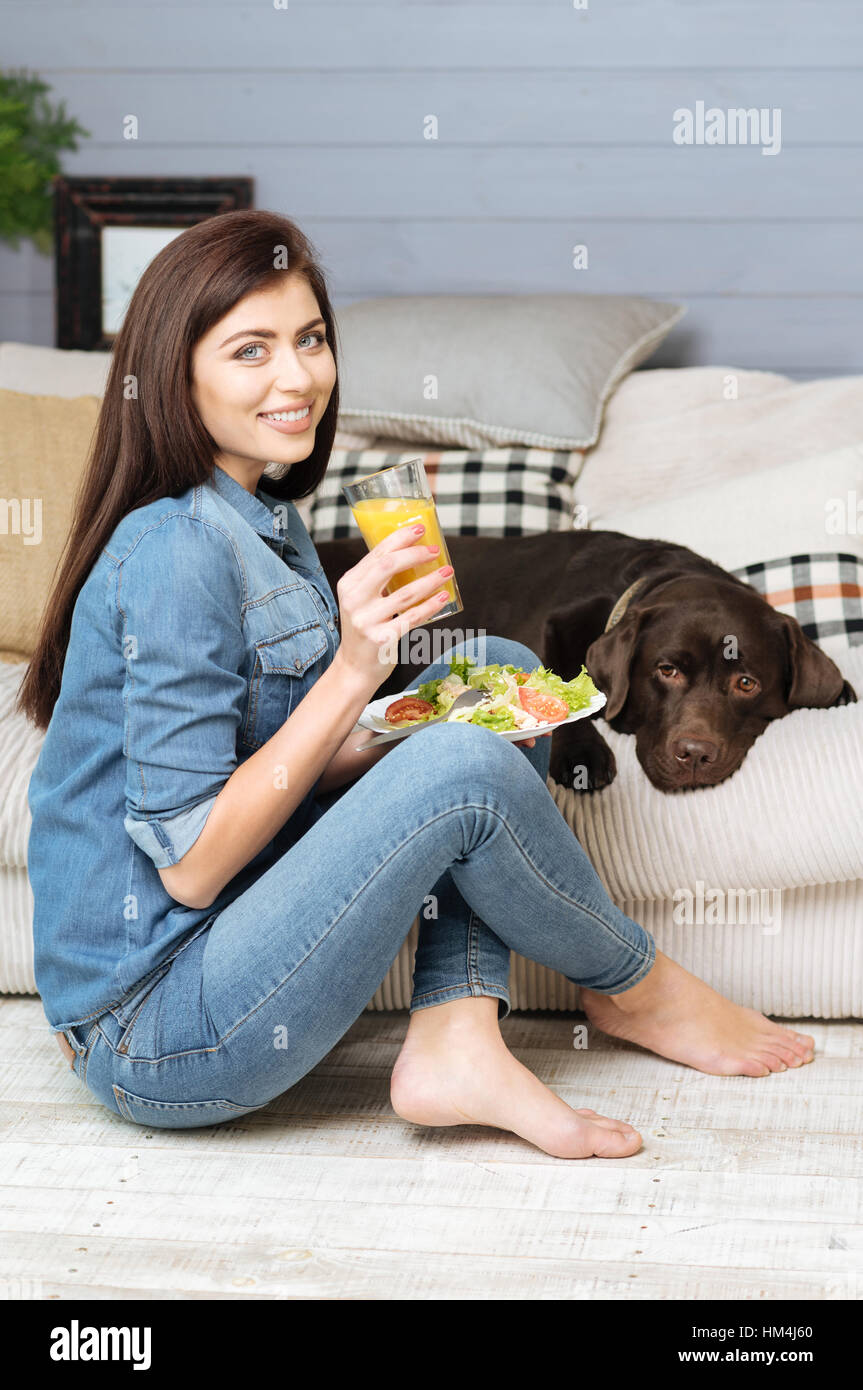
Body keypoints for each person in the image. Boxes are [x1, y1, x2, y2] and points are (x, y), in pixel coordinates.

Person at [20, 211, 814, 1160]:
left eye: (310, 339)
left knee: (496, 677)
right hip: (156, 1028)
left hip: (236, 953)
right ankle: (637, 986)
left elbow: (285, 774)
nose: (298, 375)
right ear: (174, 375)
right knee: (456, 757)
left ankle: (456, 1034)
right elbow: (191, 866)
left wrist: (391, 718)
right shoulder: (176, 549)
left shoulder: (265, 525)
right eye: (250, 350)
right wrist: (358, 671)